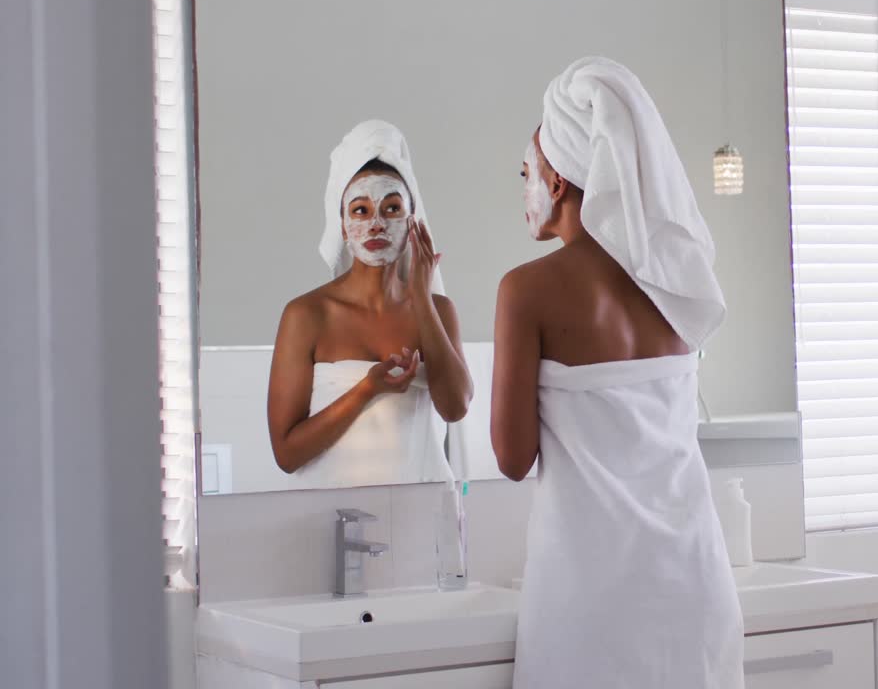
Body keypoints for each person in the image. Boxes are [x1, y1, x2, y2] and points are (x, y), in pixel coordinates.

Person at [492, 58, 744, 689]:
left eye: (527, 173)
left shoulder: (526, 290)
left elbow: (512, 457)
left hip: (590, 598)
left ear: (556, 181)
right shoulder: (679, 283)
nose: (522, 188)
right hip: (695, 583)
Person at [267, 120, 471, 489]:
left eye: (391, 208)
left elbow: (455, 408)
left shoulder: (439, 310)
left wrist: (422, 299)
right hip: (331, 522)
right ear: (342, 225)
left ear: (412, 221)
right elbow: (286, 453)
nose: (376, 223)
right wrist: (366, 390)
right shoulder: (306, 316)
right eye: (360, 210)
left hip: (424, 516)